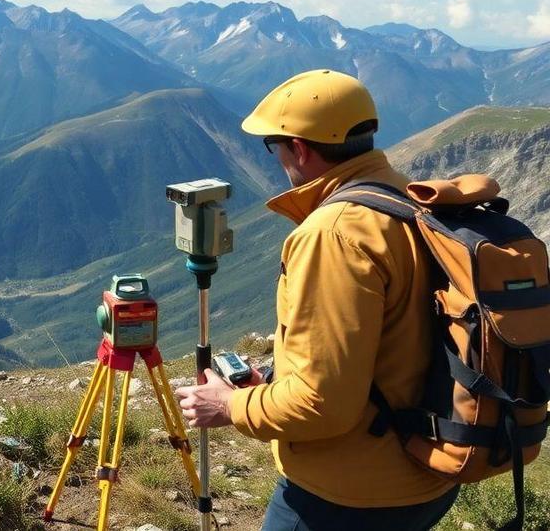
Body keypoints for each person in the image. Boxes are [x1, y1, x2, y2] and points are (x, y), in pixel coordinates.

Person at [174, 70, 460, 530]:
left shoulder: (335, 234)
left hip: (348, 494)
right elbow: (390, 343)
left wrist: (227, 406)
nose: (277, 159)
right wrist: (271, 379)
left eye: (276, 147)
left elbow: (323, 404)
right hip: (424, 472)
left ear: (300, 150)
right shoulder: (409, 200)